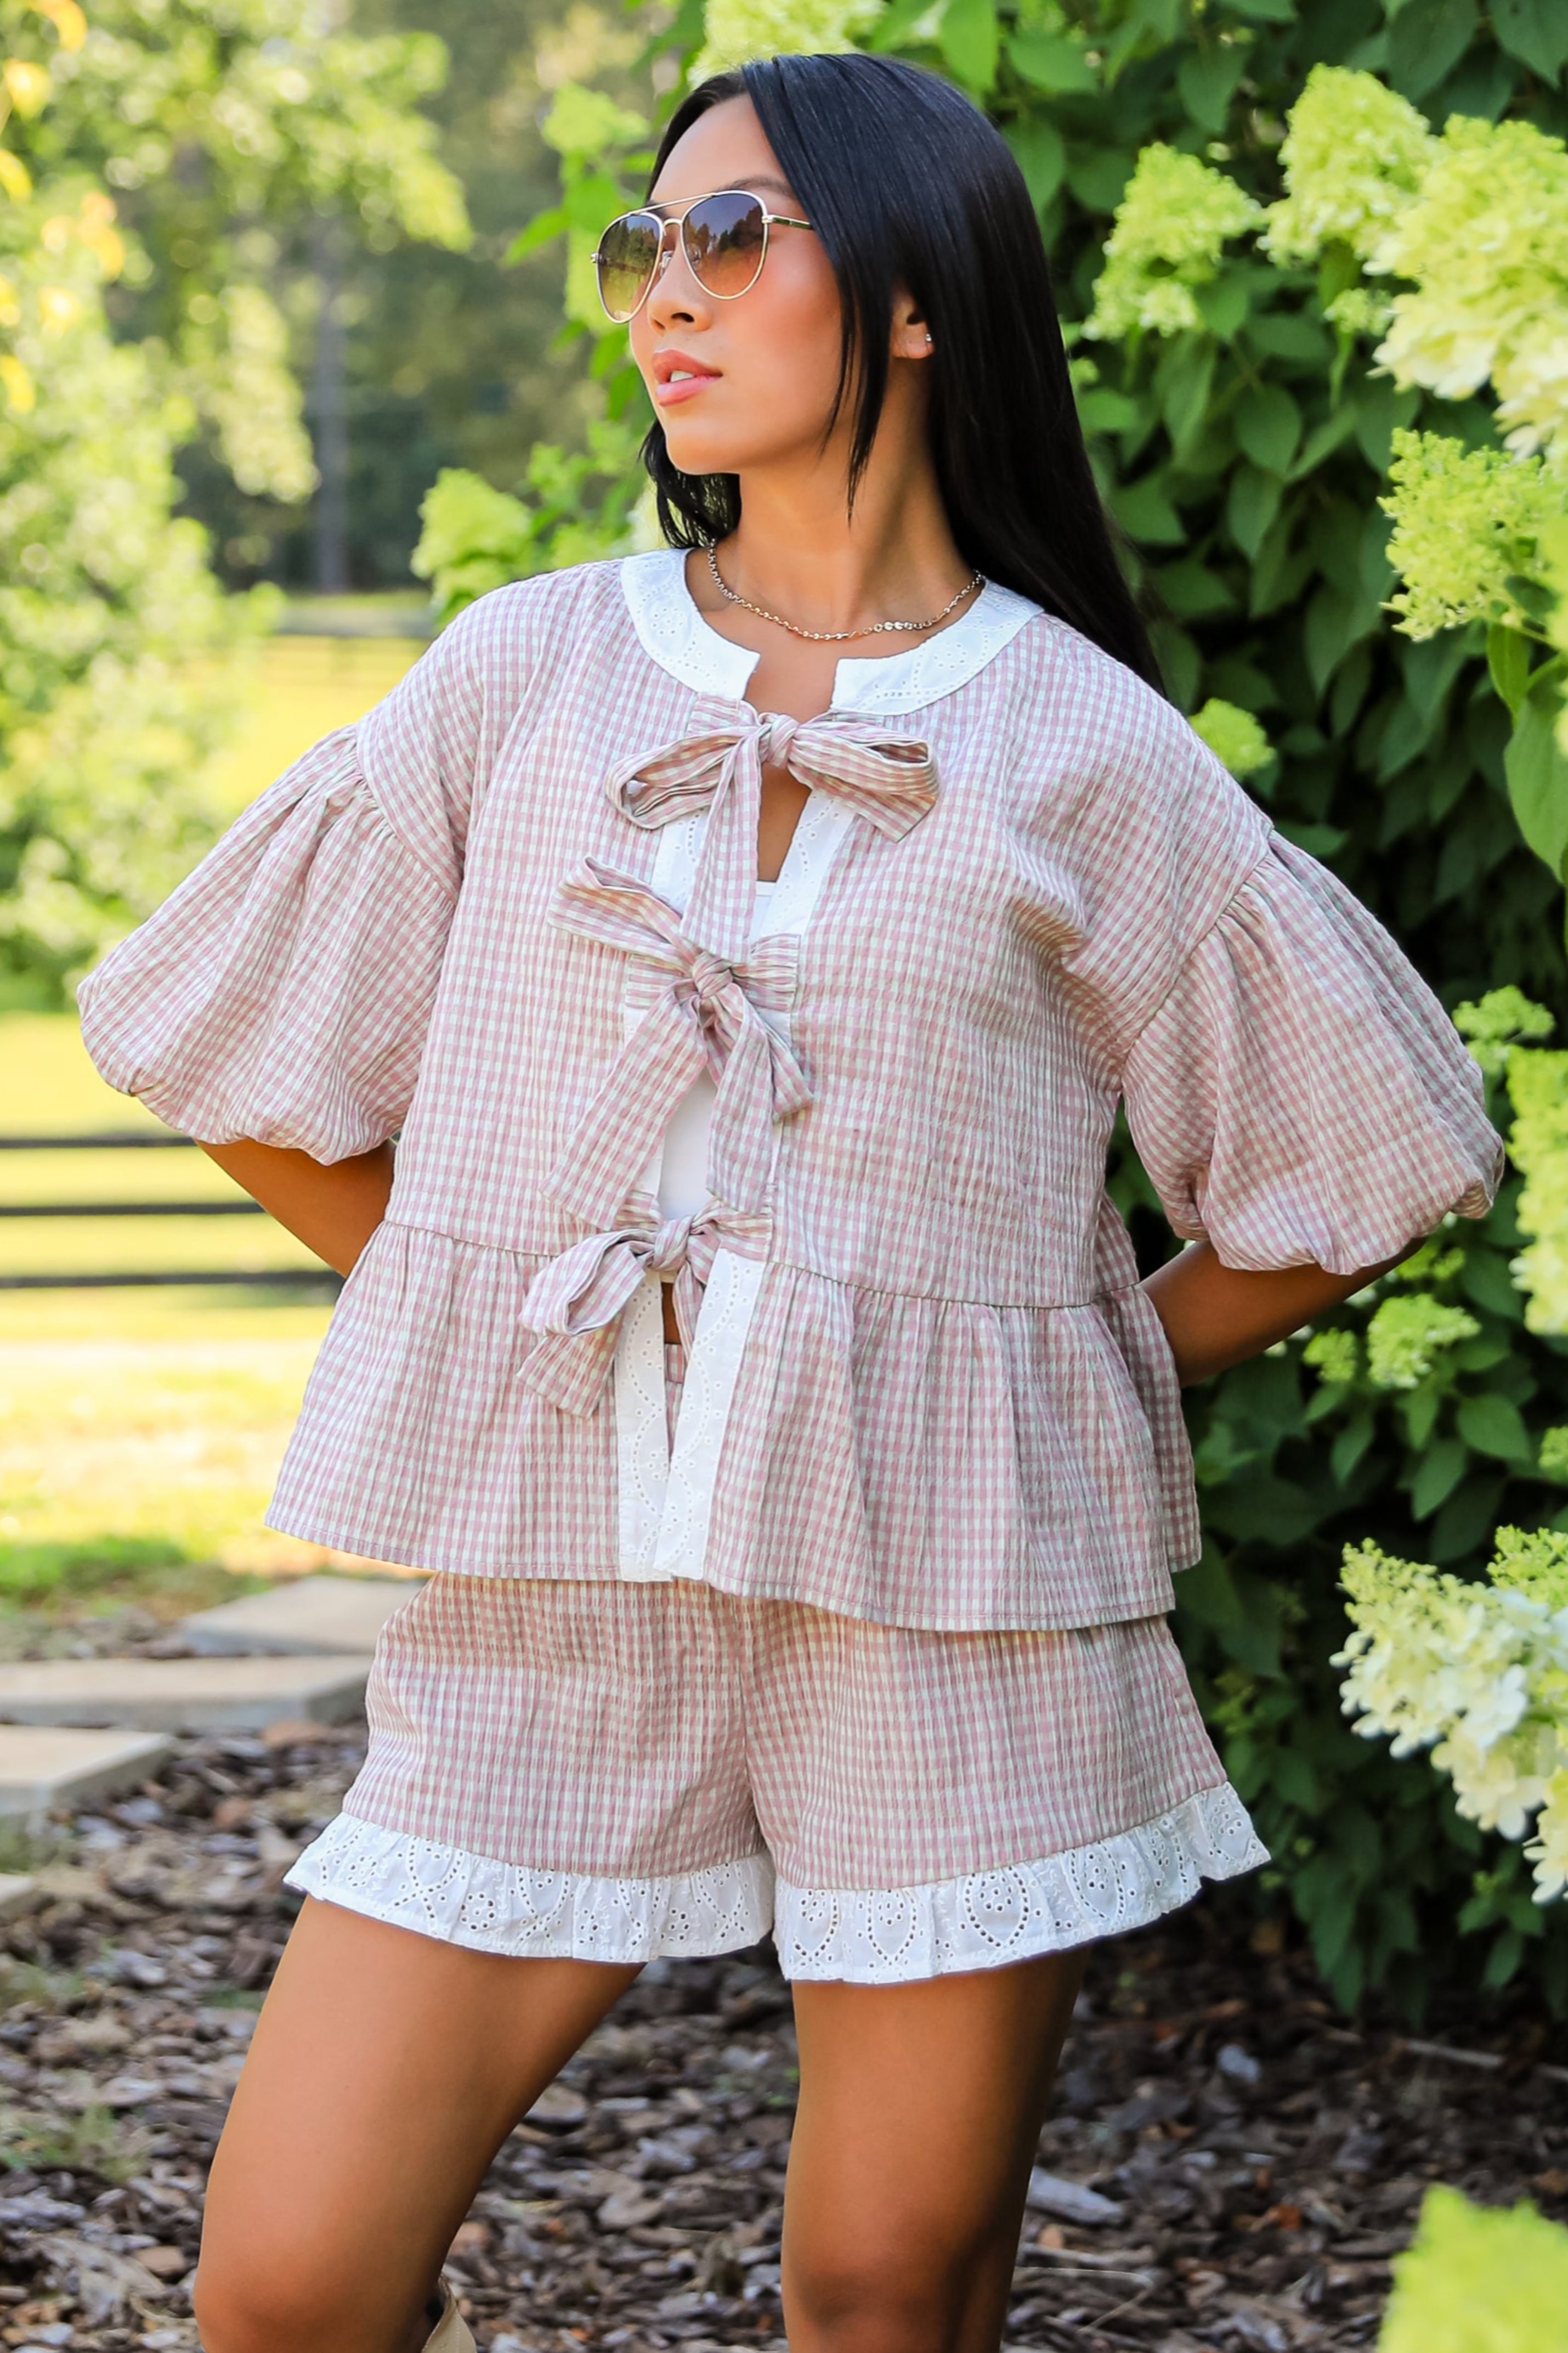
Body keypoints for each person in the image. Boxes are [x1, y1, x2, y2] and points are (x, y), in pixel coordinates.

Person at [77, 51, 1504, 2353]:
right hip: (559, 1587)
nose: (666, 293)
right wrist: (510, 1327)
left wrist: (1059, 1374)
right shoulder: (527, 669)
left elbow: (1359, 1160)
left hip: (943, 1610)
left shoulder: (1080, 743)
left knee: (881, 2286)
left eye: (732, 234)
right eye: (644, 245)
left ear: (919, 289)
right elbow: (237, 1048)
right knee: (284, 2283)